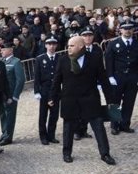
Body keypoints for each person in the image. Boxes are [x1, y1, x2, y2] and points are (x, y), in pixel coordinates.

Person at [50, 36, 116, 165]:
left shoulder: (94, 58)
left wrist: (110, 100)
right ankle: (67, 153)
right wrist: (52, 97)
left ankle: (105, 154)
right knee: (68, 129)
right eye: (68, 46)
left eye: (71, 46)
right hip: (70, 99)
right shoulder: (63, 60)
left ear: (81, 46)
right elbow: (57, 81)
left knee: (98, 127)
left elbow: (103, 80)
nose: (68, 48)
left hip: (90, 99)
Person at [104, 22, 138, 135]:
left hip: (133, 77)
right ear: (120, 30)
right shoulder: (113, 44)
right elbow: (108, 61)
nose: (127, 31)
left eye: (130, 29)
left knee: (129, 102)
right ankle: (114, 125)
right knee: (115, 102)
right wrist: (110, 76)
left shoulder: (136, 43)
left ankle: (125, 124)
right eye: (125, 29)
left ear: (133, 30)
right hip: (118, 77)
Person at [33, 37, 61, 145]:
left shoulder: (60, 58)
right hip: (44, 90)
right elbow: (37, 77)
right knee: (43, 115)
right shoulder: (40, 59)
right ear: (45, 45)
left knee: (54, 115)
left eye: (54, 44)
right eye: (49, 44)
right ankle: (43, 136)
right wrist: (36, 91)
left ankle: (51, 135)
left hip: (56, 91)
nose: (52, 46)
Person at [0, 42, 25, 146]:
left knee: (10, 115)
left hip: (11, 94)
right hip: (2, 94)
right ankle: (4, 134)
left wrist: (15, 95)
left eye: (4, 50)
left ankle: (8, 136)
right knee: (2, 115)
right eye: (1, 50)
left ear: (10, 50)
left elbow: (20, 80)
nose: (2, 51)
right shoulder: (1, 61)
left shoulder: (16, 62)